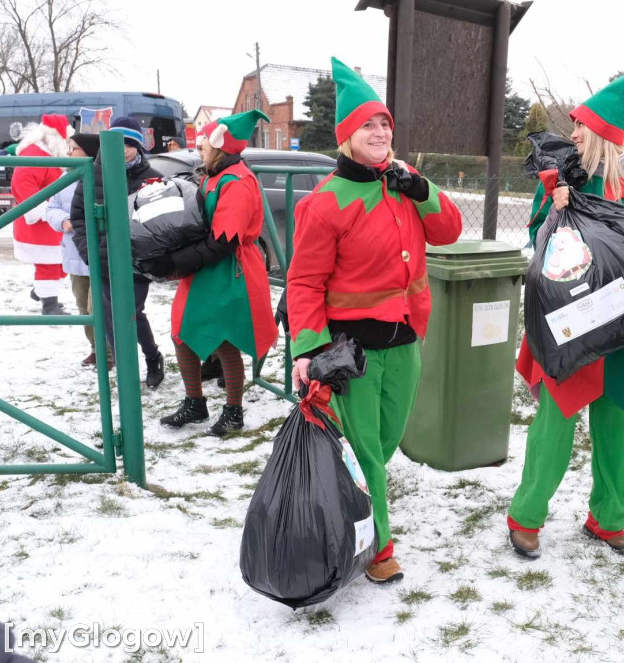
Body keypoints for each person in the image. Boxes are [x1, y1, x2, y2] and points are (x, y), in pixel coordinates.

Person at [286, 57, 462, 584]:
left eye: (385, 123)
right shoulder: (325, 203)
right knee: (366, 448)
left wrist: (421, 187)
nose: (381, 131)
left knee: (384, 442)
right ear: (347, 136)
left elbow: (449, 231)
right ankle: (378, 547)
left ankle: (348, 502)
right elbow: (304, 282)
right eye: (369, 124)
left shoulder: (403, 188)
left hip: (405, 338)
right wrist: (308, 349)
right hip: (351, 349)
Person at [507, 67, 624, 560]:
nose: (573, 132)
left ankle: (609, 519)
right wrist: (557, 209)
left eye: (581, 125)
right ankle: (527, 516)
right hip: (571, 328)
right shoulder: (559, 179)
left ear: (603, 132)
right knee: (553, 428)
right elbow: (537, 250)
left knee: (618, 427)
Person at [145, 110, 278, 436]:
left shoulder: (238, 183)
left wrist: (174, 260)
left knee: (225, 339)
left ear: (220, 145)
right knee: (182, 332)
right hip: (206, 269)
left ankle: (233, 411)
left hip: (228, 271)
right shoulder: (215, 175)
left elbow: (223, 242)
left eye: (205, 140)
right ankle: (196, 404)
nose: (200, 145)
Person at [70, 116, 165, 388]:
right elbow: (79, 216)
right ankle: (125, 370)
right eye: (117, 142)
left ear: (138, 146)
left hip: (137, 259)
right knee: (109, 314)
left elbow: (163, 220)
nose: (122, 148)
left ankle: (151, 356)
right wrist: (89, 253)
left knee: (131, 312)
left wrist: (148, 252)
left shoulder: (152, 177)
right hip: (101, 259)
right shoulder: (93, 172)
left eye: (129, 143)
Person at [46, 133, 109, 367]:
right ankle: (96, 349)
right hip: (74, 252)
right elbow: (50, 207)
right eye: (69, 148)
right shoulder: (64, 179)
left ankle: (109, 353)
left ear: (89, 152)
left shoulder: (102, 178)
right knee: (84, 307)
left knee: (98, 306)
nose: (69, 153)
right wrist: (63, 220)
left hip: (98, 252)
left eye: (74, 148)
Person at [9, 114, 73, 315]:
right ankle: (49, 305)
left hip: (53, 218)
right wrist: (44, 211)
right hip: (40, 221)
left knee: (62, 261)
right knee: (49, 264)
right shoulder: (34, 153)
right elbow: (22, 186)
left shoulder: (50, 153)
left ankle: (44, 292)